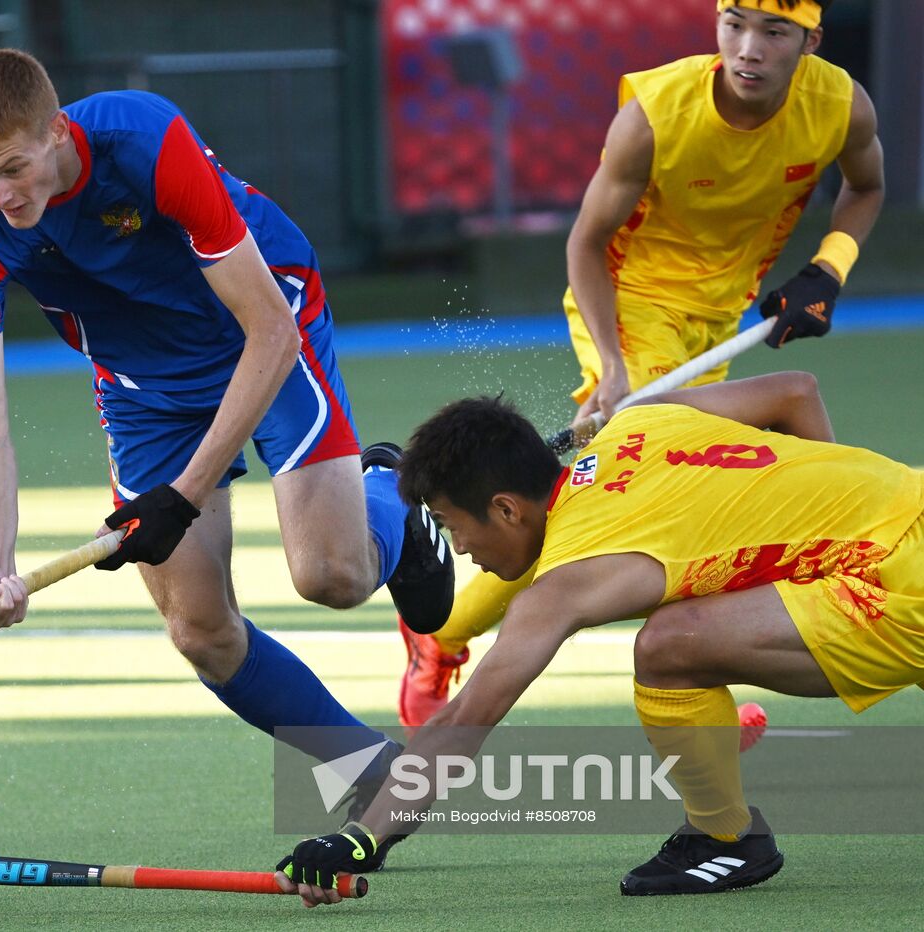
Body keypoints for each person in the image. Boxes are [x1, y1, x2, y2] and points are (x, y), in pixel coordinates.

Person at [0, 49, 454, 863]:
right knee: (200, 631)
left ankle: (392, 491)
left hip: (262, 325)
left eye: (11, 168)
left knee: (334, 578)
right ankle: (372, 770)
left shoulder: (145, 142)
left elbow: (269, 333)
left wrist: (182, 494)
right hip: (144, 385)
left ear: (55, 130)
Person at [396, 0, 886, 731]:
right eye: (734, 26)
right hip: (630, 310)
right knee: (619, 516)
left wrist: (828, 269)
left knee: (682, 498)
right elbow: (585, 246)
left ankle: (453, 634)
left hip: (721, 322)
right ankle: (447, 636)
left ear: (810, 40)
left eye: (774, 33)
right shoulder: (655, 112)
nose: (748, 49)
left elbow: (866, 187)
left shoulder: (840, 106)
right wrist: (617, 369)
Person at [276, 371, 924, 903]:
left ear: (506, 508)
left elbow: (465, 718)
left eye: (451, 526)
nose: (461, 549)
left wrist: (363, 837)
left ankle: (726, 839)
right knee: (680, 630)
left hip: (897, 587)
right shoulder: (641, 420)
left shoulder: (569, 577)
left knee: (668, 647)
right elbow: (797, 391)